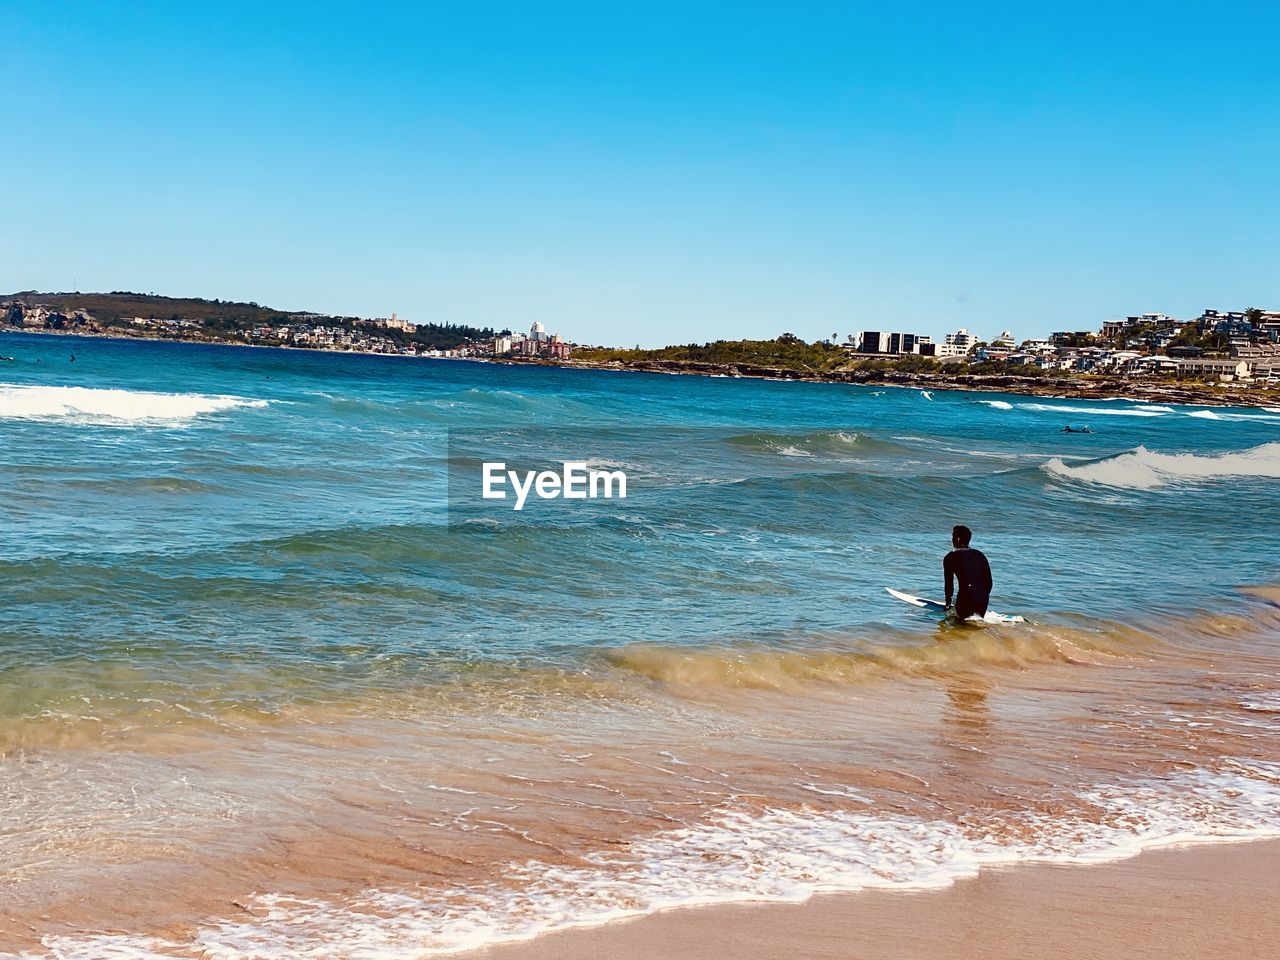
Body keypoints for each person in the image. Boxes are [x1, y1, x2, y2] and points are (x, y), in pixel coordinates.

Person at [944, 525, 992, 621]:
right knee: (975, 624)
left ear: (957, 539)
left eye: (953, 537)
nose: (952, 540)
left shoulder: (950, 557)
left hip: (966, 600)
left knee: (957, 625)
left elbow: (949, 584)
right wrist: (980, 596)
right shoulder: (980, 554)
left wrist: (948, 605)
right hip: (983, 601)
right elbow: (989, 583)